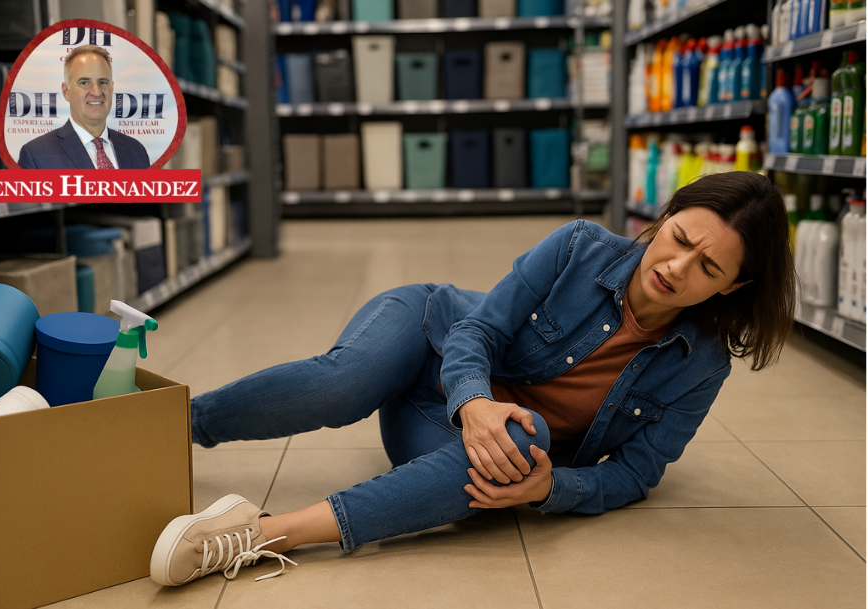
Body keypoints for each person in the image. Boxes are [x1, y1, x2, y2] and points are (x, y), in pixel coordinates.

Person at [149, 171, 797, 587]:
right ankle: (164, 428)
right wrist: (476, 400)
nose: (676, 266)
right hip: (429, 333)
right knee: (347, 382)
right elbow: (475, 333)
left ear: (731, 286)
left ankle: (256, 533)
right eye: (678, 237)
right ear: (661, 218)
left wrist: (553, 487)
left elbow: (635, 472)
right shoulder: (578, 246)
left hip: (452, 429)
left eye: (706, 265)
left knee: (523, 448)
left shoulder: (700, 363)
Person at [17, 45, 150, 170]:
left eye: (103, 82)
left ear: (112, 87)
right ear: (66, 91)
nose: (96, 92)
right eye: (84, 82)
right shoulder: (35, 155)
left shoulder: (136, 150)